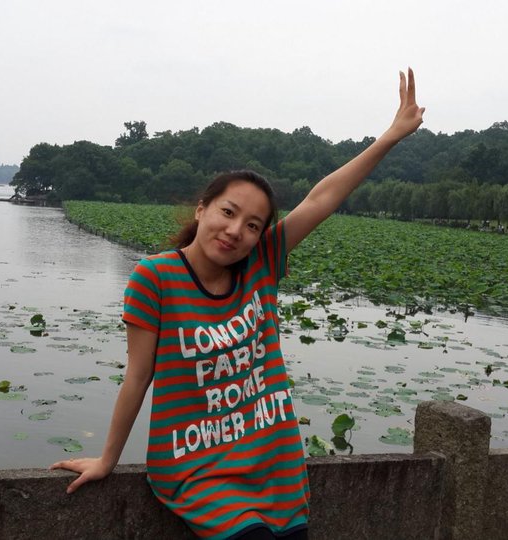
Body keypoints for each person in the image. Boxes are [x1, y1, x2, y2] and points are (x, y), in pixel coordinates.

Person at [51, 68, 425, 539]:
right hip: (196, 466)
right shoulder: (155, 278)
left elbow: (322, 198)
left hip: (273, 461)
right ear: (202, 209)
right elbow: (138, 376)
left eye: (252, 224)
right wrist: (108, 459)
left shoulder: (261, 264)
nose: (235, 231)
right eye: (228, 212)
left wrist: (390, 136)